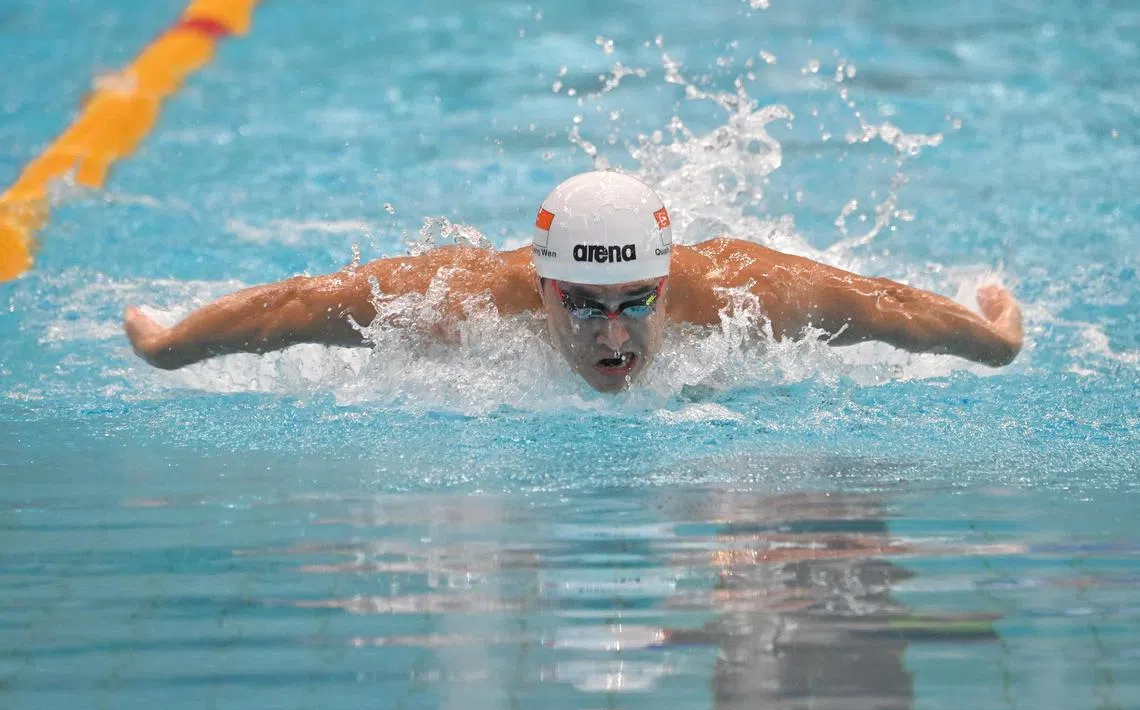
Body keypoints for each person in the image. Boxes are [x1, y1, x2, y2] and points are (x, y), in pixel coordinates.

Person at [124, 171, 1023, 392]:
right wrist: (171, 346)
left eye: (639, 302)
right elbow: (301, 307)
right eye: (585, 308)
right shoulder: (467, 298)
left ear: (669, 286)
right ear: (544, 291)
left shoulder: (748, 297)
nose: (615, 338)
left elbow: (883, 306)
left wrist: (992, 340)